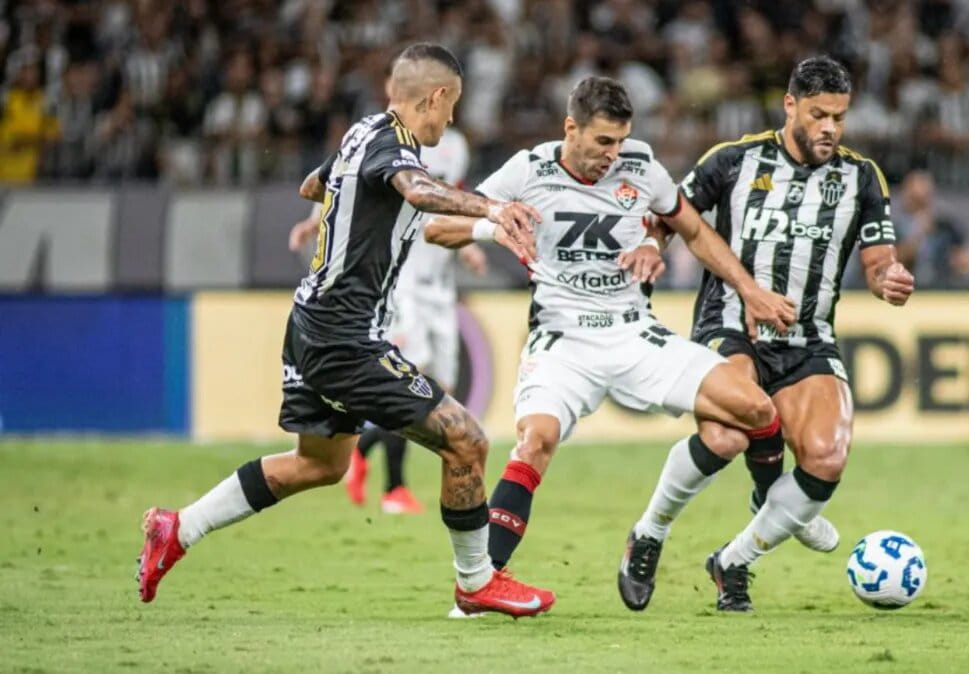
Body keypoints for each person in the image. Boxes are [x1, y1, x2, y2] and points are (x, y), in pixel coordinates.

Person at [136, 44, 555, 618]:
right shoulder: (395, 147)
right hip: (344, 336)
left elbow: (315, 185)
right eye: (452, 105)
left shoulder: (362, 132)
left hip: (310, 323)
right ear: (435, 97)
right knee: (467, 440)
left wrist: (347, 213)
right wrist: (489, 209)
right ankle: (476, 581)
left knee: (320, 464)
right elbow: (417, 190)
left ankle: (178, 528)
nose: (451, 118)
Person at [424, 76, 795, 611]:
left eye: (620, 141)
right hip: (563, 340)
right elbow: (437, 227)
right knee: (535, 441)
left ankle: (772, 507)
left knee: (756, 410)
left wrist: (746, 290)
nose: (613, 154)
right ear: (570, 128)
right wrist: (492, 226)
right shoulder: (528, 170)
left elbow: (693, 230)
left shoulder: (641, 166)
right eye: (603, 141)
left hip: (633, 332)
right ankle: (478, 587)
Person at [618, 56, 914, 613]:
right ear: (790, 106)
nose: (830, 128)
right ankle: (650, 531)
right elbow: (670, 215)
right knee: (726, 436)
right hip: (731, 325)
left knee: (826, 458)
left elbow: (878, 261)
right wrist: (652, 247)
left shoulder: (861, 177)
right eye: (819, 114)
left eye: (840, 117)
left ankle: (732, 562)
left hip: (808, 338)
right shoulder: (734, 160)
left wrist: (889, 279)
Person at [289, 126, 486, 515]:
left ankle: (363, 451)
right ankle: (394, 488)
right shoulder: (395, 142)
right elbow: (344, 181)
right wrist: (315, 220)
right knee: (411, 385)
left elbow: (452, 198)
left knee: (440, 393)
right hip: (405, 286)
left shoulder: (457, 146)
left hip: (440, 288)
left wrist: (467, 246)